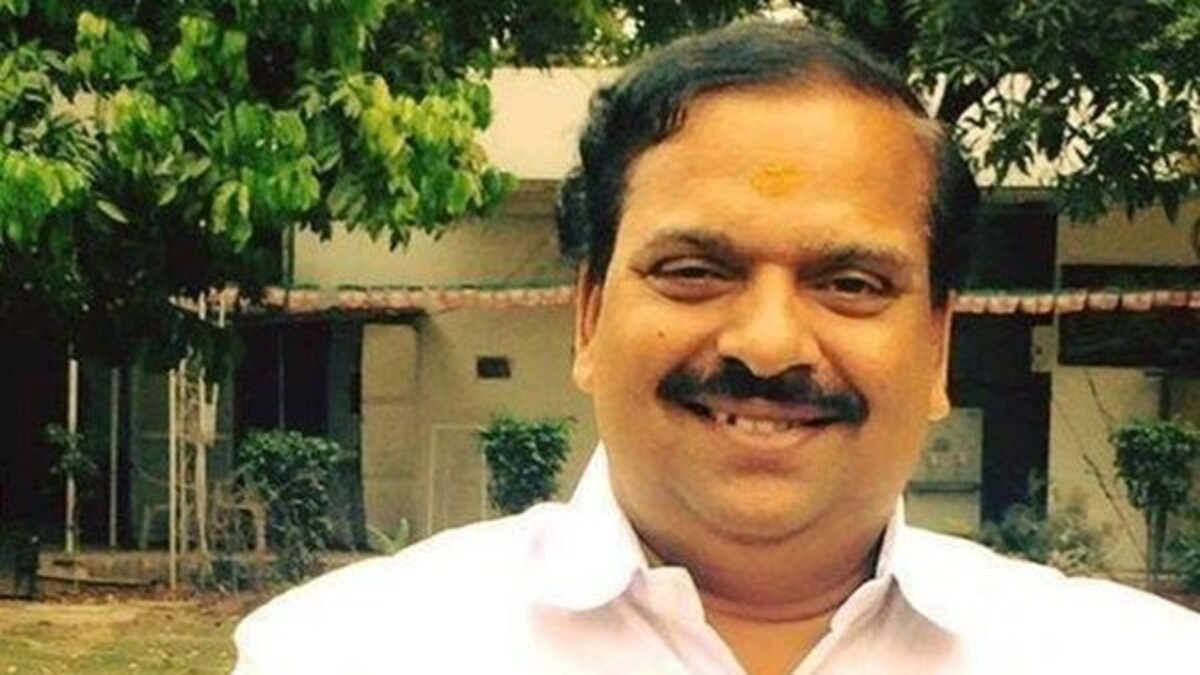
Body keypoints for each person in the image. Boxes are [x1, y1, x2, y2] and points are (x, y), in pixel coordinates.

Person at [233, 20, 1199, 674]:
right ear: (588, 316)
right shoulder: (350, 651)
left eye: (850, 283)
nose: (769, 345)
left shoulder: (1127, 659)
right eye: (695, 270)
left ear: (938, 345)